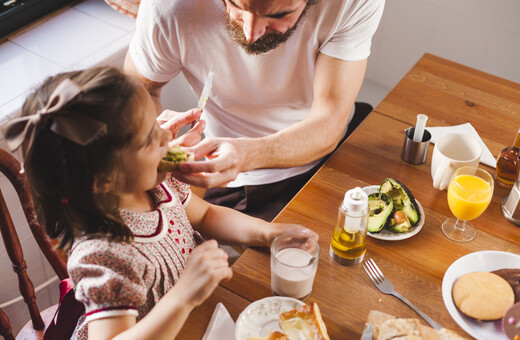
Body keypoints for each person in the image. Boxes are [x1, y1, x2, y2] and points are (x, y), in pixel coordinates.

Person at [1, 67, 316, 339]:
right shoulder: (103, 256)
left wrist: (267, 233)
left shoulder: (156, 184)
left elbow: (205, 215)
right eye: (149, 139)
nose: (166, 137)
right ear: (105, 180)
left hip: (194, 318)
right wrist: (184, 294)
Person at [125, 0, 385, 221]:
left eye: (279, 14)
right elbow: (140, 89)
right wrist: (152, 138)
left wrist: (248, 154)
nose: (251, 33)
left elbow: (330, 118)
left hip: (338, 148)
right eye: (235, 5)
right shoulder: (170, 6)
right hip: (246, 183)